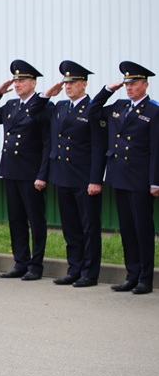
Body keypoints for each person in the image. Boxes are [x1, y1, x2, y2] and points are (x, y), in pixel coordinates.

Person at [87, 61, 159, 295]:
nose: (129, 88)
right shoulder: (119, 106)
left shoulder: (153, 111)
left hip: (140, 179)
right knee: (127, 228)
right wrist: (108, 90)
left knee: (142, 229)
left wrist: (155, 181)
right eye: (127, 84)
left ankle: (145, 279)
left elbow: (156, 149)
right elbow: (92, 112)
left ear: (145, 85)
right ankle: (131, 275)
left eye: (134, 84)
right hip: (119, 176)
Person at [38, 61, 107, 288]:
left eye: (73, 82)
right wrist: (48, 94)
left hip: (84, 178)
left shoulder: (92, 108)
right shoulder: (59, 107)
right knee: (70, 227)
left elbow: (98, 147)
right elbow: (34, 112)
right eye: (66, 82)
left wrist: (95, 179)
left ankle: (89, 272)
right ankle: (74, 268)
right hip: (63, 176)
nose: (68, 86)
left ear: (84, 84)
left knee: (89, 227)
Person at [0, 59, 50, 281]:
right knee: (16, 219)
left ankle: (36, 265)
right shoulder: (11, 105)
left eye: (22, 80)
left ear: (33, 83)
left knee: (35, 220)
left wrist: (42, 174)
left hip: (31, 173)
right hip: (11, 170)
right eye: (15, 80)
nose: (17, 84)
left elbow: (47, 143)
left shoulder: (42, 105)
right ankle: (20, 262)